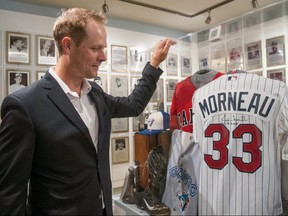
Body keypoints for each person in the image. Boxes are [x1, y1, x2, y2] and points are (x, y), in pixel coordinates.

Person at [0, 7, 175, 216]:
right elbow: (9, 195)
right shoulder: (25, 106)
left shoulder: (96, 95)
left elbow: (133, 104)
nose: (103, 57)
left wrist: (154, 64)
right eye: (95, 48)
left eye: (104, 48)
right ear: (68, 45)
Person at [192, 70, 288, 215]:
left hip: (213, 203)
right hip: (260, 204)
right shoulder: (277, 90)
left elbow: (200, 143)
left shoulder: (200, 95)